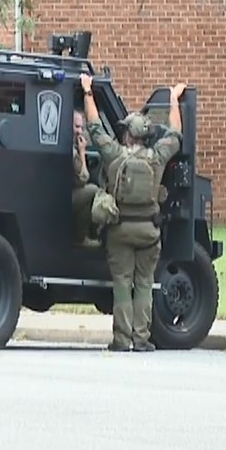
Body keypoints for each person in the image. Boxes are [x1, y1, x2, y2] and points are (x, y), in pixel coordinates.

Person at [79, 74, 187, 352]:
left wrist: (88, 92)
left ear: (128, 135)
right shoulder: (158, 156)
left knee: (122, 284)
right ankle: (141, 339)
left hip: (120, 231)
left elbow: (95, 128)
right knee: (144, 284)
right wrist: (174, 100)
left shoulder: (115, 155)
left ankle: (121, 339)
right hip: (149, 232)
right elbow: (175, 133)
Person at [70, 110, 100, 247]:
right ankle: (80, 239)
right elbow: (83, 178)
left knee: (86, 198)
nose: (80, 131)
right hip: (63, 198)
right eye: (77, 127)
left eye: (82, 127)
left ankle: (79, 236)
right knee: (93, 190)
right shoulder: (72, 152)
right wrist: (82, 152)